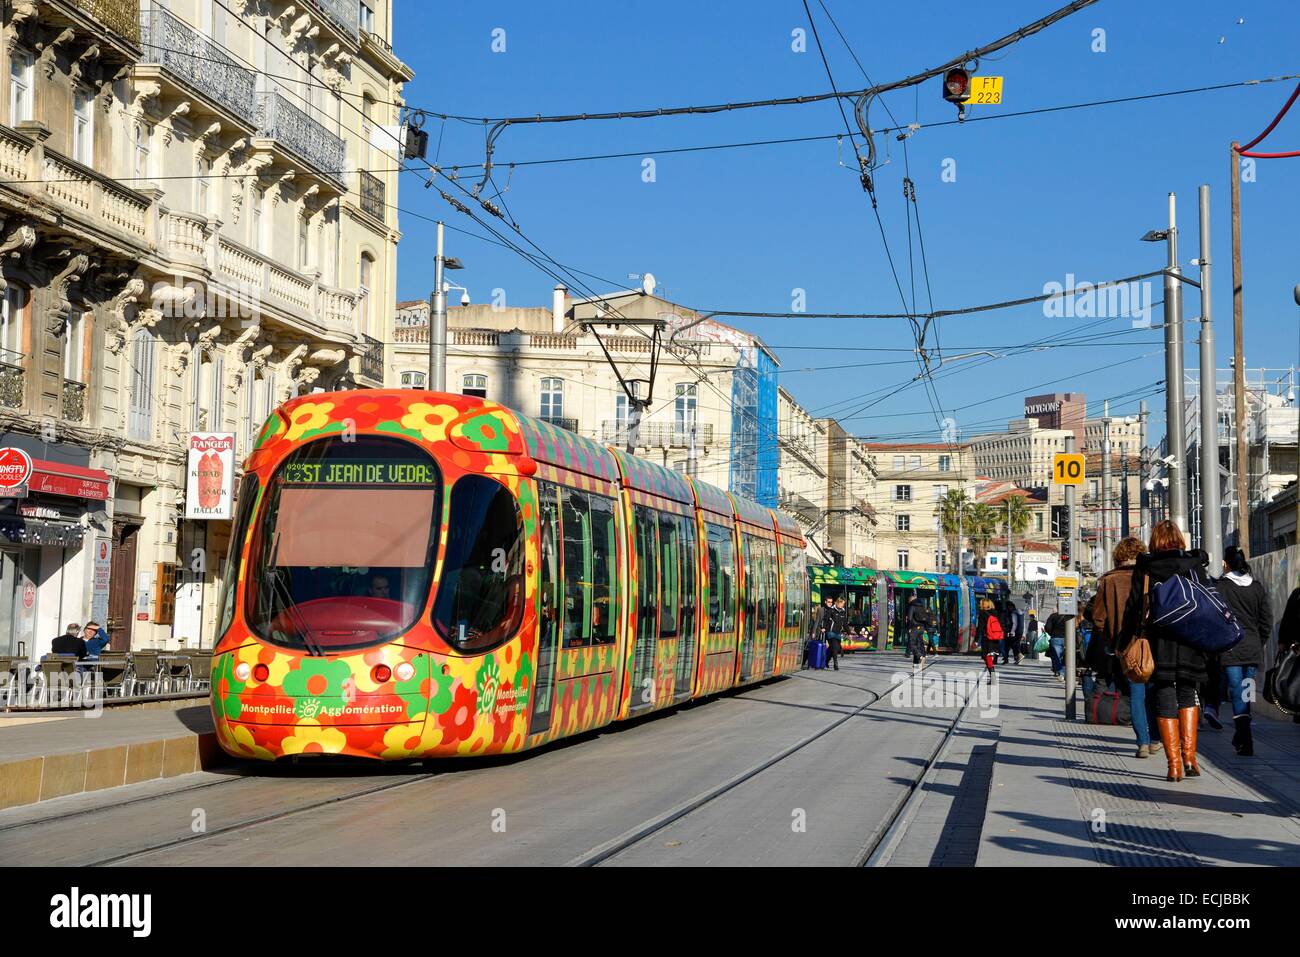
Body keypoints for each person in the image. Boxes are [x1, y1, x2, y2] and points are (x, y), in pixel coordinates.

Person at [1119, 521, 1210, 783]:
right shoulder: (1194, 565)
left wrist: (1125, 641)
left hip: (1159, 641)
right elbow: (1206, 599)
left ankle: (1173, 766)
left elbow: (1135, 607)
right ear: (1179, 539)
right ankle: (1190, 756)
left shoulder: (1146, 566)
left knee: (1164, 696)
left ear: (1155, 541)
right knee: (1187, 693)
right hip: (1190, 639)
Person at [1092, 537, 1160, 758]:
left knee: (1136, 694)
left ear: (1118, 556)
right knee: (1155, 693)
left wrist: (1111, 637)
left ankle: (1142, 742)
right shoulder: (1151, 577)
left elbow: (1098, 617)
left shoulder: (1109, 581)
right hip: (1154, 643)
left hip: (1126, 645)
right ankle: (1157, 738)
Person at [1214, 546, 1273, 757]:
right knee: (1246, 693)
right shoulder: (1257, 587)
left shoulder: (1221, 587)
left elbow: (1215, 618)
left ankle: (1244, 738)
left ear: (1226, 563)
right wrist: (1260, 641)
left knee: (1237, 692)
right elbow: (1266, 620)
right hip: (1252, 648)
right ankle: (1243, 737)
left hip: (1231, 649)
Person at [1044, 609, 1068, 680]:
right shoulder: (1070, 616)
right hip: (1068, 639)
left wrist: (1052, 633)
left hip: (1055, 638)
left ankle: (1060, 673)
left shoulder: (1053, 616)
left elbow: (1047, 627)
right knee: (1066, 657)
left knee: (1057, 657)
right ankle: (1065, 673)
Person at [976, 598, 999, 673]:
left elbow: (980, 627)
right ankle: (992, 676)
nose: (979, 605)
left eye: (981, 603)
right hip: (995, 638)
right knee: (988, 657)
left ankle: (992, 677)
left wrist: (976, 639)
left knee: (986, 657)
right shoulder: (995, 612)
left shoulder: (982, 613)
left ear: (984, 605)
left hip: (986, 637)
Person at [826, 596, 847, 671]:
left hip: (838, 633)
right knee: (834, 648)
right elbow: (826, 620)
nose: (842, 605)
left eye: (843, 604)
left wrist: (849, 632)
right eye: (842, 604)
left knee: (836, 648)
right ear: (838, 602)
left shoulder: (843, 611)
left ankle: (826, 660)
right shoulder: (831, 610)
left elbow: (844, 623)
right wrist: (823, 628)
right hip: (831, 632)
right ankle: (835, 664)